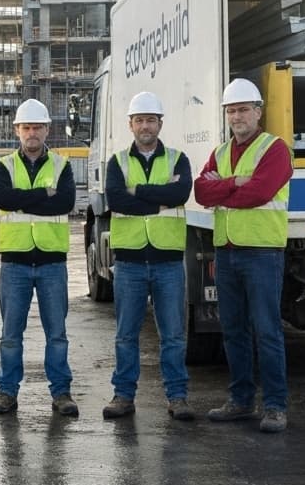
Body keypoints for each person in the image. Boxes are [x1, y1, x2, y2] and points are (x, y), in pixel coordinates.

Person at [193, 78, 294, 433]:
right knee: (233, 329)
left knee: (267, 330)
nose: (237, 116)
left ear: (258, 112)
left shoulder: (275, 149)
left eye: (243, 109)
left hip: (262, 252)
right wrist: (234, 184)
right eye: (231, 111)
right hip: (227, 250)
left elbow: (260, 192)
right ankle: (240, 401)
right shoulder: (221, 152)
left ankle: (275, 406)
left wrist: (226, 188)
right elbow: (201, 191)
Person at [102, 91, 195, 421]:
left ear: (160, 124)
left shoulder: (177, 158)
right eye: (139, 120)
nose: (145, 126)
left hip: (167, 261)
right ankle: (123, 396)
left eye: (150, 120)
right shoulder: (117, 162)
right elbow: (116, 198)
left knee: (172, 335)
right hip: (129, 263)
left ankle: (178, 396)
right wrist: (159, 200)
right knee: (126, 335)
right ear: (130, 125)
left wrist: (137, 192)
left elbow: (181, 193)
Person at [0, 99, 79, 417]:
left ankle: (61, 393)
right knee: (11, 335)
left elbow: (64, 203)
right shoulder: (5, 166)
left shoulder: (61, 165)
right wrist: (44, 195)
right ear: (16, 130)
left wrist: (24, 201)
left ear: (47, 130)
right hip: (15, 262)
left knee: (57, 334)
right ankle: (7, 392)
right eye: (26, 127)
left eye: (37, 127)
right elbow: (4, 199)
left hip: (52, 261)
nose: (32, 133)